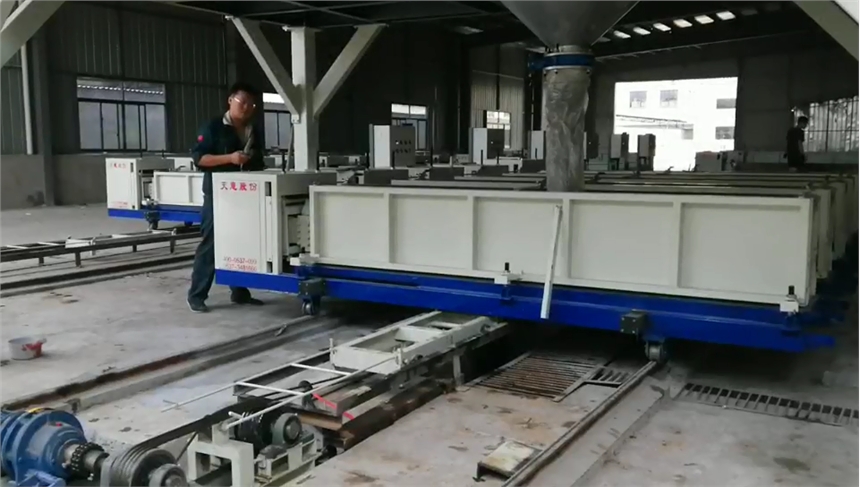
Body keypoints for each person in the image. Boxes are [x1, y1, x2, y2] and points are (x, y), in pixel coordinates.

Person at [187, 82, 267, 313]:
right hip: (218, 194)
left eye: (252, 104)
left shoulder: (253, 130)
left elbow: (258, 159)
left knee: (240, 242)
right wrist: (230, 158)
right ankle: (196, 295)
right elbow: (200, 159)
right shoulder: (213, 127)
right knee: (211, 243)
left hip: (245, 194)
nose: (247, 108)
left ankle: (239, 292)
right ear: (231, 100)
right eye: (243, 102)